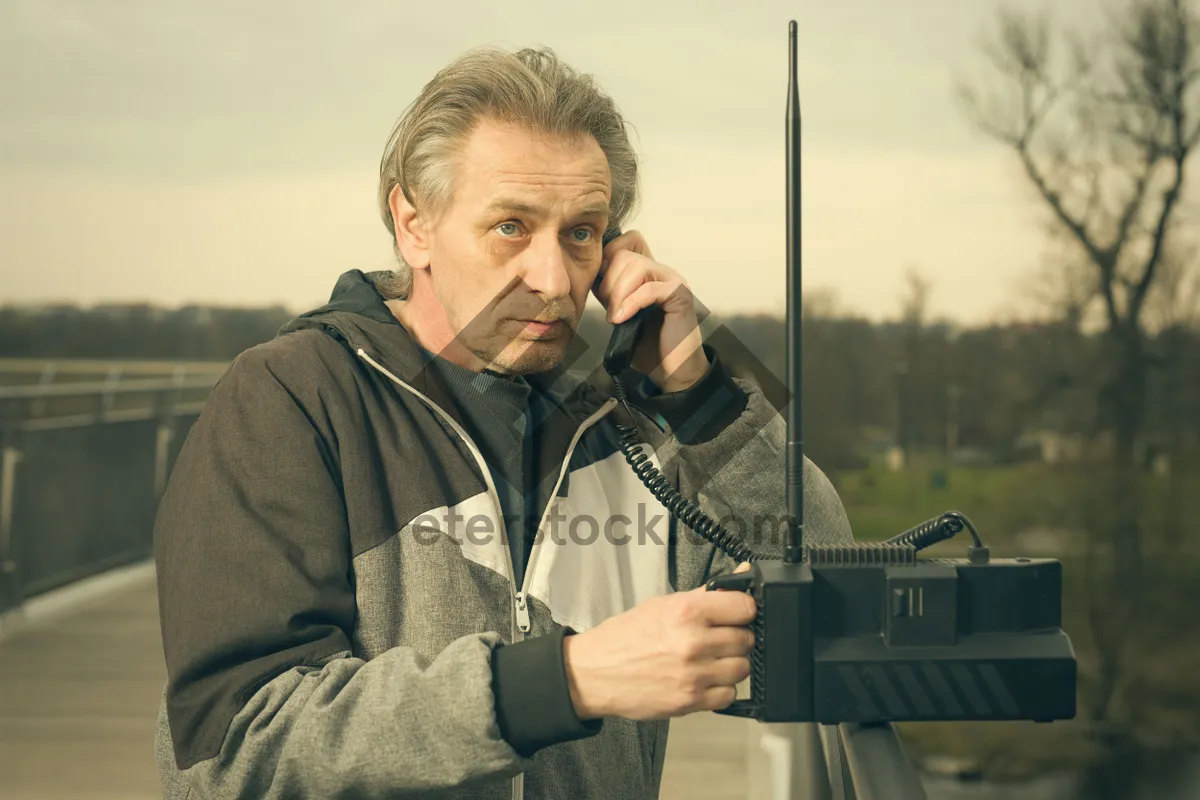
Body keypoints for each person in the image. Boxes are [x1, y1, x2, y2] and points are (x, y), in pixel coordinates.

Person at [152, 44, 854, 799]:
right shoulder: (288, 398)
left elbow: (832, 616)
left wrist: (699, 395)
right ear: (413, 223)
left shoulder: (637, 417)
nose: (554, 282)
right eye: (512, 227)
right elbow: (232, 750)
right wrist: (564, 683)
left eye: (581, 232)